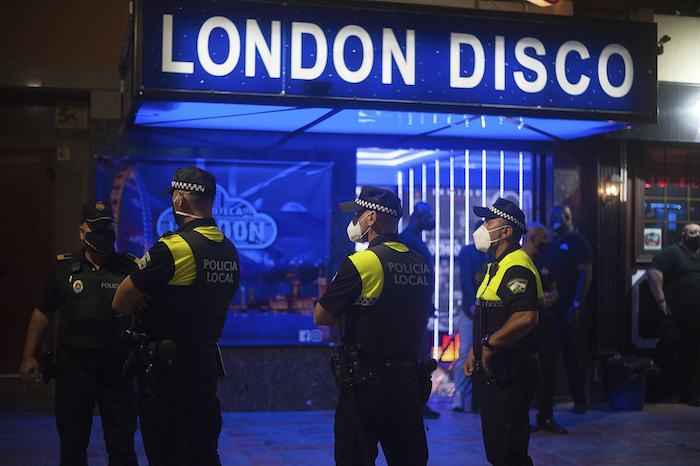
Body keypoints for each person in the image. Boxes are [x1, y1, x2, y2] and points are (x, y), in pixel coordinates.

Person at [112, 167, 240, 464]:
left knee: (167, 455)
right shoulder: (228, 249)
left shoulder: (174, 247)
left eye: (173, 197)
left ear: (180, 199)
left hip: (166, 380)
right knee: (203, 453)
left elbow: (121, 299)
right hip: (205, 372)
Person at [314, 186, 434, 466]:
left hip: (366, 385)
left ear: (371, 218)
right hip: (407, 382)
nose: (354, 220)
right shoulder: (421, 263)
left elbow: (322, 316)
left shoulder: (363, 262)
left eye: (357, 214)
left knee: (354, 456)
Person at [20, 201, 139, 466]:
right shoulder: (63, 268)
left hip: (117, 373)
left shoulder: (130, 269)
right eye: (95, 226)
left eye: (107, 225)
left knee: (123, 450)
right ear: (81, 232)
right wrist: (29, 355)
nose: (103, 231)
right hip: (73, 373)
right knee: (72, 450)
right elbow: (43, 312)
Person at [463, 198, 542, 466]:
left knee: (509, 454)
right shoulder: (497, 265)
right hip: (496, 374)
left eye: (489, 221)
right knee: (498, 451)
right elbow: (494, 317)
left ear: (506, 231)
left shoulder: (516, 266)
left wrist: (489, 345)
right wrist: (476, 351)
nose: (483, 226)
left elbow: (526, 316)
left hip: (511, 374)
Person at [543, 205, 593, 414]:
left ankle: (579, 399)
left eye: (557, 216)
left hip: (568, 310)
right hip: (550, 310)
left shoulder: (578, 242)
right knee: (548, 357)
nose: (553, 220)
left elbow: (585, 275)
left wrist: (576, 304)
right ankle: (548, 400)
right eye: (552, 216)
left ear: (567, 217)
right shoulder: (553, 244)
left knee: (572, 356)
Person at [647, 223, 700, 407]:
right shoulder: (671, 253)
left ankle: (687, 392)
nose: (697, 235)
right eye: (693, 232)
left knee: (692, 354)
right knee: (667, 347)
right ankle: (655, 389)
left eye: (699, 232)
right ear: (683, 235)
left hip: (695, 316)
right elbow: (654, 274)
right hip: (673, 315)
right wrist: (661, 300)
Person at [523, 222, 566, 434]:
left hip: (545, 324)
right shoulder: (516, 264)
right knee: (522, 373)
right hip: (523, 327)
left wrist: (551, 298)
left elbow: (555, 290)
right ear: (532, 239)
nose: (548, 242)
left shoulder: (545, 263)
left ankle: (545, 417)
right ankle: (521, 419)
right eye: (544, 238)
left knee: (548, 371)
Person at [399, 201, 440, 419]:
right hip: (412, 313)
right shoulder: (407, 240)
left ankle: (417, 403)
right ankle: (416, 404)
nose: (432, 221)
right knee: (418, 356)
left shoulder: (413, 239)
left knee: (420, 355)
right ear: (418, 216)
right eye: (429, 216)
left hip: (419, 309)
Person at [452, 224, 493, 412]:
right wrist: (471, 304)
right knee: (464, 351)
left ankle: (484, 392)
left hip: (491, 310)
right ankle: (458, 394)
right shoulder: (467, 252)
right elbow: (466, 280)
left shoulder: (493, 253)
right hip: (471, 311)